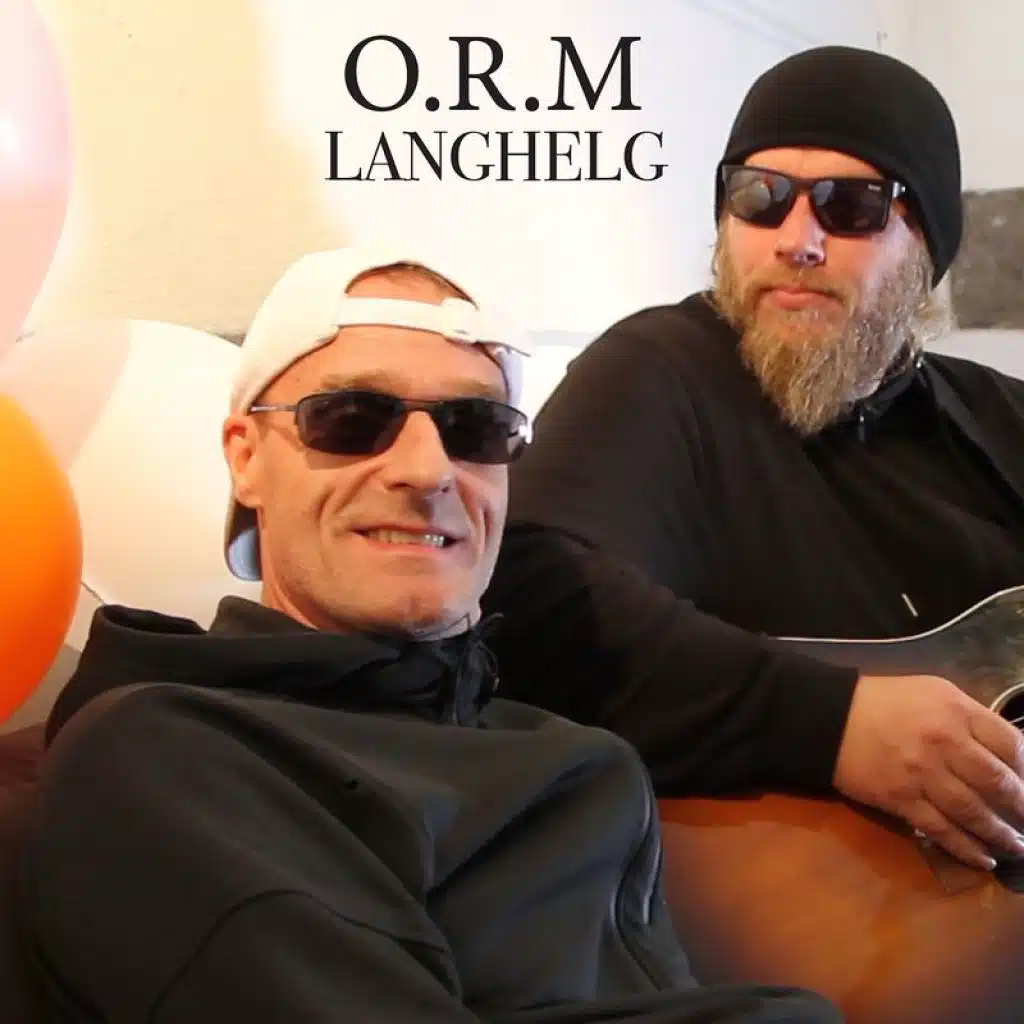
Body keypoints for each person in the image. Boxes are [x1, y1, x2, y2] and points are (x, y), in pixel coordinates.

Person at [18, 247, 839, 1023]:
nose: (427, 469)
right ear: (247, 459)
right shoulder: (165, 751)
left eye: (475, 427)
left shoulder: (584, 763)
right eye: (351, 417)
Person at [482, 45, 1024, 874]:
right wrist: (835, 726)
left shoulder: (997, 417)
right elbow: (523, 594)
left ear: (928, 248)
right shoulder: (659, 372)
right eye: (758, 198)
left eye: (851, 207)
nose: (796, 241)